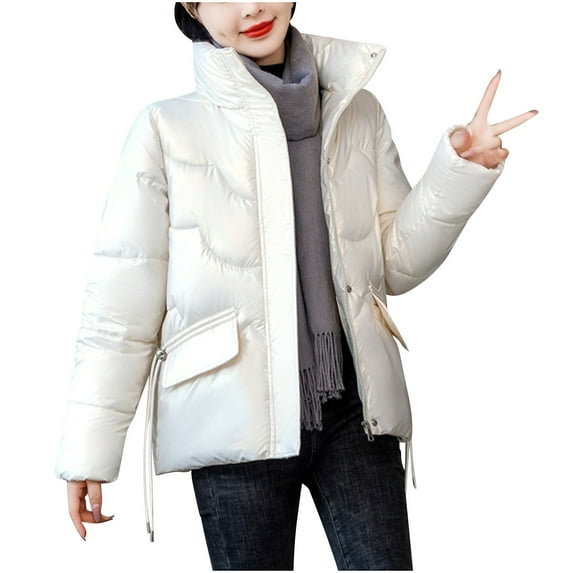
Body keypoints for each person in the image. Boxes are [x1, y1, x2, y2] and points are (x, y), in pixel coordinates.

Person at [55, 2, 537, 570]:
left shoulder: (356, 109)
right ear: (191, 8)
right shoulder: (166, 129)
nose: (252, 8)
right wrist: (89, 450)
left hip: (355, 408)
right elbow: (120, 303)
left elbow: (395, 265)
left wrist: (457, 171)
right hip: (234, 422)